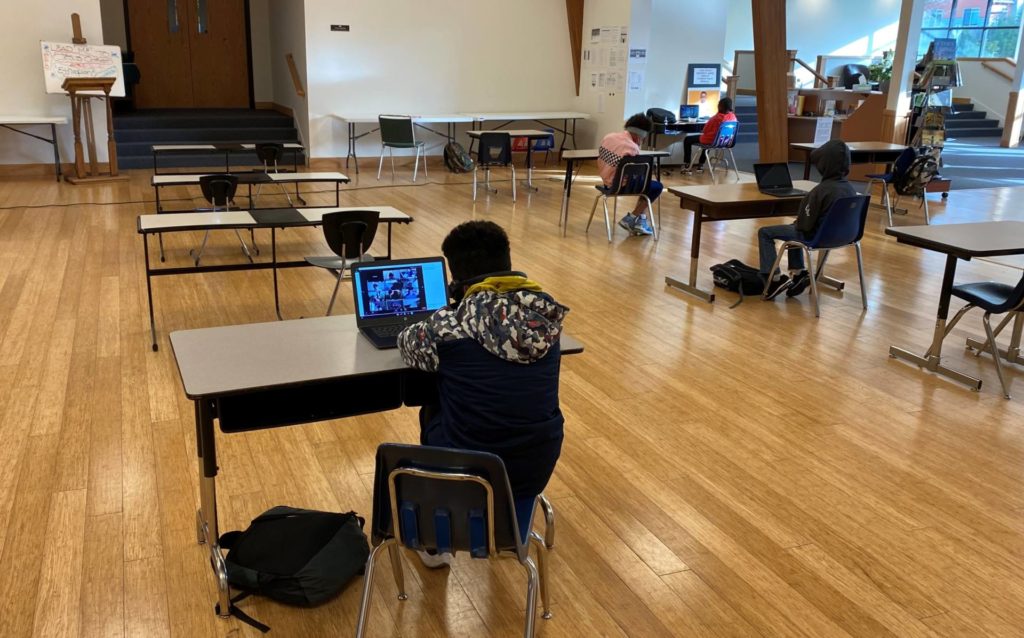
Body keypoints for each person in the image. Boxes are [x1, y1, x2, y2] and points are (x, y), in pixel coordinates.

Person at [398, 220, 569, 566]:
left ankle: (436, 544)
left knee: (433, 396)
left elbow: (407, 345)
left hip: (470, 467)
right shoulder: (545, 317)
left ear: (458, 284)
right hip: (534, 464)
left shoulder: (447, 324)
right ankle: (512, 519)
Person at [757, 139, 857, 299]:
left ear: (824, 165)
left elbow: (804, 226)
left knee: (766, 232)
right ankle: (798, 273)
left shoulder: (820, 191)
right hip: (846, 237)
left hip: (818, 238)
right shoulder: (850, 189)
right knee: (794, 228)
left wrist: (799, 220)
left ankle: (773, 279)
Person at [596, 113, 663, 236]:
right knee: (656, 186)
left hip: (606, 182)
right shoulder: (632, 148)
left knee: (644, 184)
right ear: (639, 137)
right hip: (621, 186)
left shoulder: (608, 137)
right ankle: (633, 217)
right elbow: (634, 175)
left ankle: (641, 221)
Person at [683, 96, 737, 169]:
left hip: (712, 141)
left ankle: (687, 163)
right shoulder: (733, 117)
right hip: (726, 141)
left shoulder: (715, 118)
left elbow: (705, 130)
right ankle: (701, 164)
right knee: (707, 144)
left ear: (720, 106)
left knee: (687, 139)